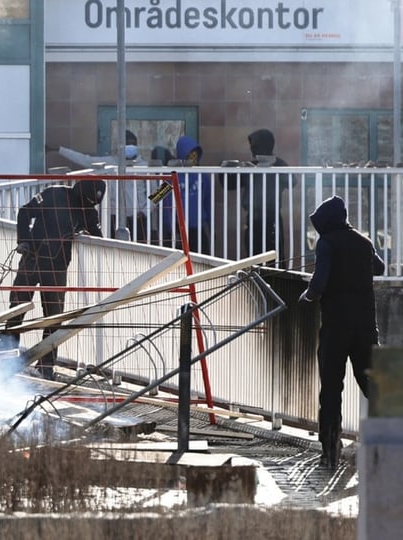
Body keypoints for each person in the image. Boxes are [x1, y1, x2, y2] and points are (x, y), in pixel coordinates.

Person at [299, 195, 385, 469]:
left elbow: (319, 282)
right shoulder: (364, 241)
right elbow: (379, 268)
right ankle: (387, 447)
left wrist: (307, 297)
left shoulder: (327, 243)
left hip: (336, 328)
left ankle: (331, 452)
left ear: (326, 222)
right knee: (375, 388)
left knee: (332, 390)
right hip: (365, 328)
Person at [5, 179, 106, 380]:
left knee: (54, 317)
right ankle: (7, 357)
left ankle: (46, 365)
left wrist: (95, 235)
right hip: (32, 258)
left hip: (57, 266)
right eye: (86, 202)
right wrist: (24, 240)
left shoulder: (88, 212)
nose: (87, 207)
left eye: (91, 204)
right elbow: (25, 212)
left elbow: (98, 235)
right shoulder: (54, 193)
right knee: (17, 307)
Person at [58, 130, 148, 242]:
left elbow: (164, 188)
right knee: (112, 251)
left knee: (140, 252)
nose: (130, 147)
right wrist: (60, 150)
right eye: (126, 144)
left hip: (138, 218)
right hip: (113, 216)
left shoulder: (145, 167)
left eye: (132, 144)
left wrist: (146, 209)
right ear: (119, 147)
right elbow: (85, 160)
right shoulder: (109, 163)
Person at [220, 128, 290, 265]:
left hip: (272, 219)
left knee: (275, 258)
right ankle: (256, 285)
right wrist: (226, 168)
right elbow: (229, 184)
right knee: (254, 256)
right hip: (253, 219)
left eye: (255, 146)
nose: (253, 150)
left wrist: (273, 166)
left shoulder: (278, 165)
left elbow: (292, 182)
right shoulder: (251, 167)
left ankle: (277, 285)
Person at [161, 136, 213, 255]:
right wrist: (169, 228)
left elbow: (208, 201)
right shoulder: (169, 175)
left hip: (198, 227)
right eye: (189, 154)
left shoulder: (202, 176)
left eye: (195, 154)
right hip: (176, 228)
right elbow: (157, 199)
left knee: (201, 262)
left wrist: (210, 226)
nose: (192, 157)